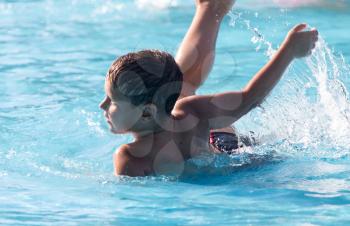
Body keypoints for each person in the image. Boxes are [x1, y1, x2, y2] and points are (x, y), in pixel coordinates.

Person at [99, 0, 318, 176]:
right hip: (226, 150)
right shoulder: (193, 112)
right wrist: (289, 51)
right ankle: (210, 7)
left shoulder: (130, 158)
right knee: (179, 90)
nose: (103, 106)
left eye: (112, 100)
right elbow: (251, 98)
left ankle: (210, 7)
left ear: (147, 112)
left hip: (223, 155)